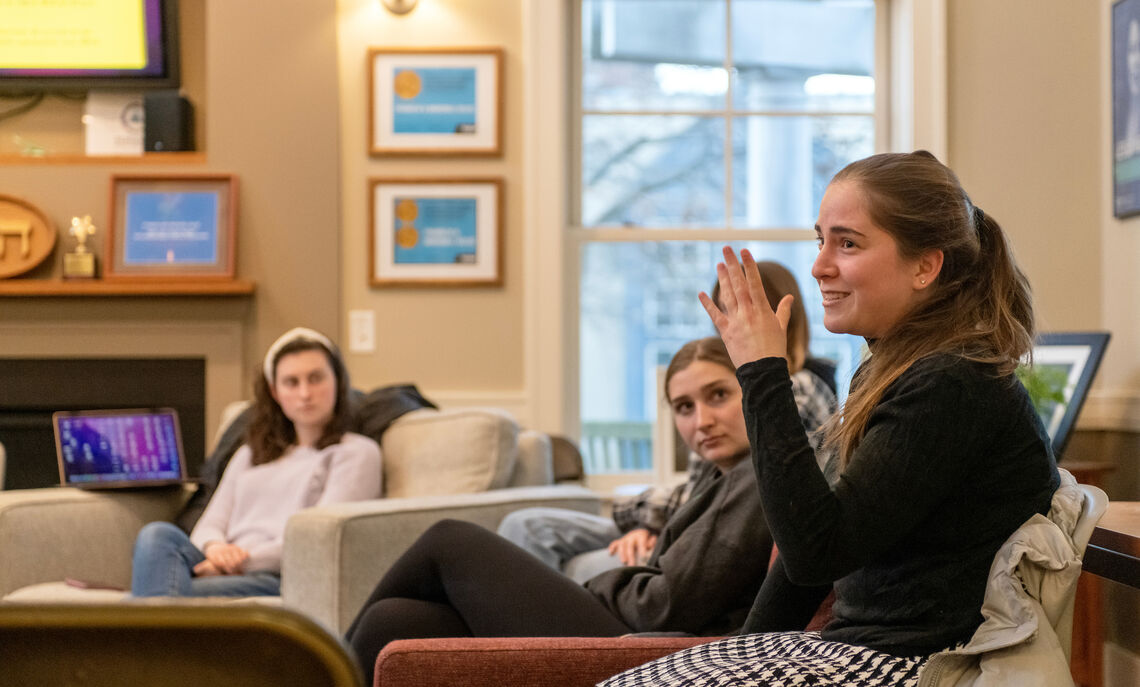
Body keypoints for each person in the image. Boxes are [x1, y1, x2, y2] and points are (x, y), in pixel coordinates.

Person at [603, 151, 1060, 686]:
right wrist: (745, 654)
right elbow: (807, 568)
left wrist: (761, 371)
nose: (819, 265)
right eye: (820, 240)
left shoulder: (951, 383)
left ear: (925, 266)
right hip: (852, 647)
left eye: (847, 243)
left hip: (912, 666)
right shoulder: (897, 372)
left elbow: (815, 554)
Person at [345, 337, 774, 685]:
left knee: (448, 540)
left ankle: (314, 664)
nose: (702, 420)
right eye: (684, 407)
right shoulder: (718, 478)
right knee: (394, 619)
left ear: (750, 389)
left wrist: (599, 584)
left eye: (718, 395)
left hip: (653, 652)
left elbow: (665, 605)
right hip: (634, 631)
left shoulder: (759, 474)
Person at [497, 261, 836, 583]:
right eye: (724, 311)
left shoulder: (794, 388)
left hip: (715, 540)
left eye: (748, 309)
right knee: (527, 526)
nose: (732, 324)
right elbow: (696, 494)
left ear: (784, 316)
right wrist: (651, 526)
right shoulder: (724, 382)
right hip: (683, 523)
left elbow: (749, 497)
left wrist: (645, 514)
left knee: (578, 566)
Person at [130, 327, 383, 597]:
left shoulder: (356, 453)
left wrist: (241, 562)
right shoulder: (250, 453)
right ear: (275, 392)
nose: (305, 393)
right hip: (220, 562)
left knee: (147, 594)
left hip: (278, 574)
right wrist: (216, 550)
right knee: (156, 535)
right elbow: (210, 522)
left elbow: (319, 540)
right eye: (292, 382)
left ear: (338, 382)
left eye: (316, 378)